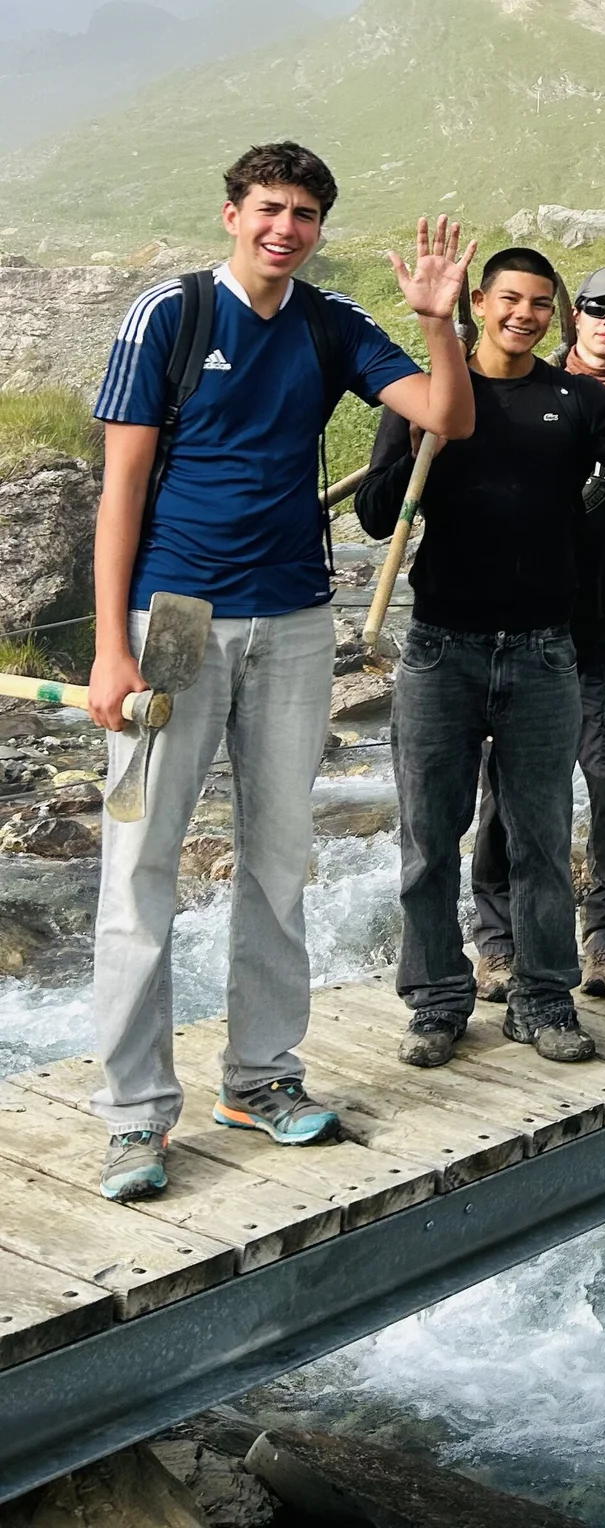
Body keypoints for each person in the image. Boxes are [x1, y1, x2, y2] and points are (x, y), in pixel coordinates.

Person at [88, 142, 477, 1202]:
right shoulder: (169, 317)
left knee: (277, 858)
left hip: (298, 618)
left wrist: (442, 322)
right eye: (270, 208)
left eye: (305, 213)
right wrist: (109, 647)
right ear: (231, 213)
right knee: (140, 870)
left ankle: (259, 1078)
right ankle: (133, 1118)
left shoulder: (329, 323)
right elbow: (121, 487)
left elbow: (446, 416)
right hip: (172, 614)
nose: (286, 228)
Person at [361, 249, 605, 1068]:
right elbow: (382, 516)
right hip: (439, 650)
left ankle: (543, 999)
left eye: (537, 304)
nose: (523, 314)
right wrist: (418, 430)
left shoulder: (577, 399)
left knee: (540, 835)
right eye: (509, 300)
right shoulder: (429, 394)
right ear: (481, 303)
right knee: (429, 836)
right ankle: (437, 1001)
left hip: (541, 652)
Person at [467, 263, 605, 1005]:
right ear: (574, 316)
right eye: (597, 309)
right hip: (529, 620)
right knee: (507, 788)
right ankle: (497, 941)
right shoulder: (527, 388)